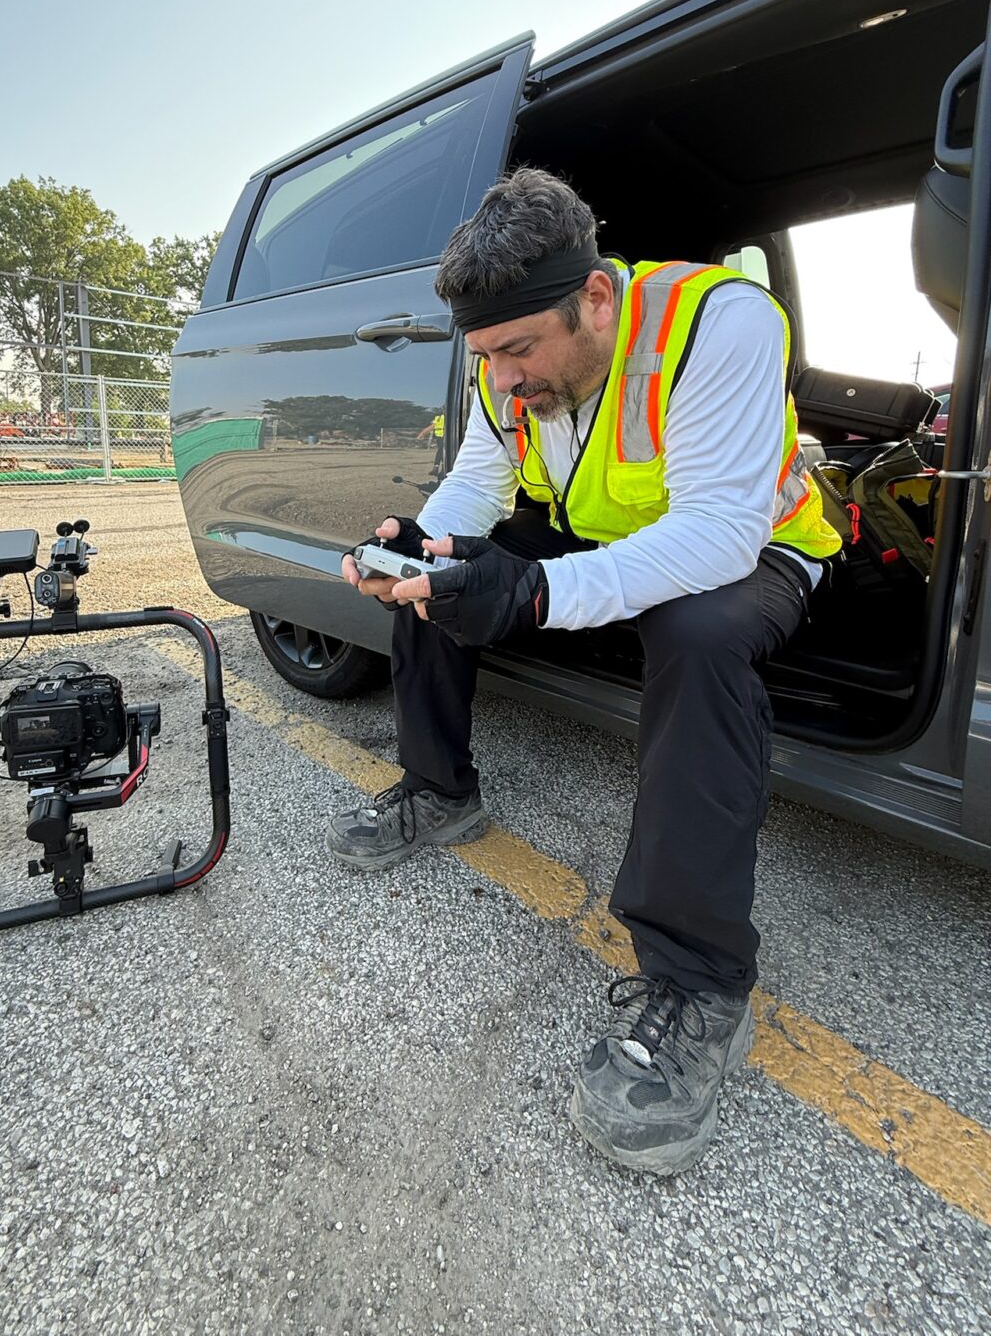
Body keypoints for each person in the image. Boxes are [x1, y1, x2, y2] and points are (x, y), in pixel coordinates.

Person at [330, 167, 840, 1175]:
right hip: (604, 538)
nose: (508, 378)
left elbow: (717, 535)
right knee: (437, 572)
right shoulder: (503, 363)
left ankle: (699, 983)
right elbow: (482, 476)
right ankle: (438, 790)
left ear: (595, 298)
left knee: (696, 635)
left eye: (522, 350)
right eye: (492, 357)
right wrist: (424, 545)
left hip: (758, 551)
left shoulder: (718, 323)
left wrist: (533, 595)